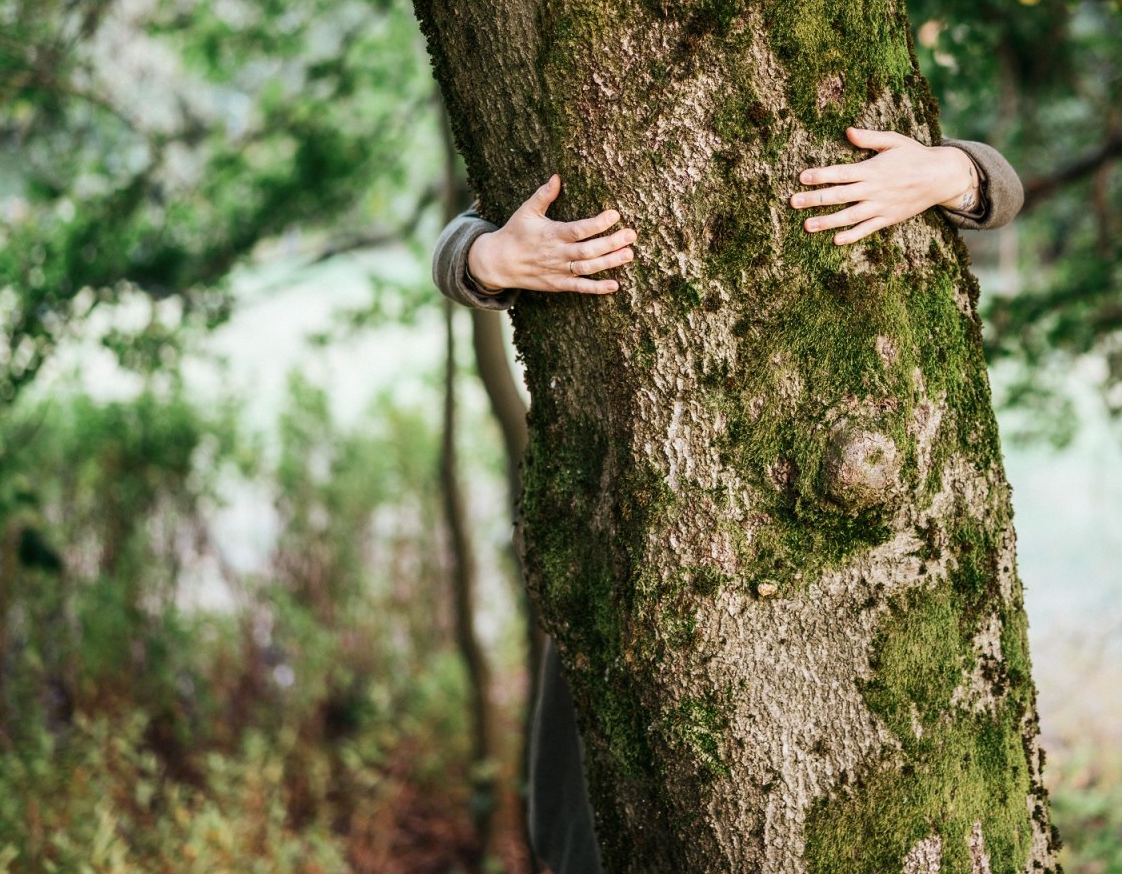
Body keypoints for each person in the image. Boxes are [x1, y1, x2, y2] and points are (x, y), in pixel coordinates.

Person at [432, 125, 1024, 874]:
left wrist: (953, 171)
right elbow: (465, 238)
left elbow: (1000, 186)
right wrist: (486, 258)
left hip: (840, 583)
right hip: (639, 553)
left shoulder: (821, 114)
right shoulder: (598, 137)